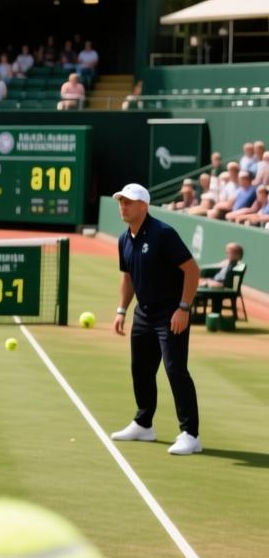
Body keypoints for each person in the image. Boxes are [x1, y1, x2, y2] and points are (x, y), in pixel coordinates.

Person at [110, 183, 202, 456]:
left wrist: (183, 308)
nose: (123, 206)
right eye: (121, 201)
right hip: (143, 313)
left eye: (129, 202)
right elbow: (127, 277)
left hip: (171, 313)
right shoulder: (123, 238)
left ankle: (191, 434)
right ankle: (143, 423)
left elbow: (192, 271)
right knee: (141, 369)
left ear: (144, 206)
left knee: (175, 370)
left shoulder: (163, 234)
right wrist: (121, 310)